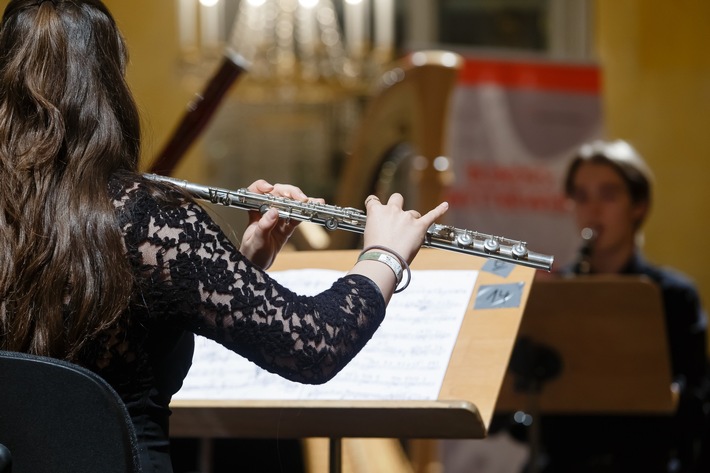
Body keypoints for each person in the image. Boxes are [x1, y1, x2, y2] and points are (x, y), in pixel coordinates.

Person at [0, 1, 449, 472]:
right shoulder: (151, 221)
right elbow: (313, 345)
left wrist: (239, 265)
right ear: (109, 85)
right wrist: (384, 255)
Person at [529, 139, 708, 472]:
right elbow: (524, 414)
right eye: (581, 197)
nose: (592, 210)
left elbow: (697, 402)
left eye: (608, 195)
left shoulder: (672, 294)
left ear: (638, 205)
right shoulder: (557, 291)